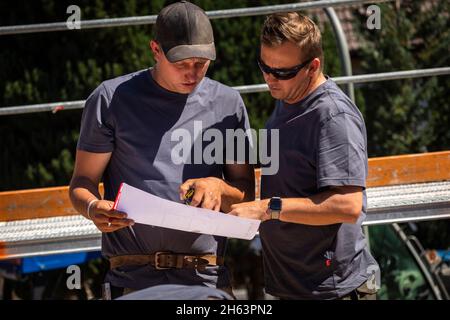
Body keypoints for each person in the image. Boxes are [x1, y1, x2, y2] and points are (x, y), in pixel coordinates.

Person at [69, 1, 254, 299]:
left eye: (202, 63)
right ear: (155, 49)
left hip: (205, 278)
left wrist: (219, 187)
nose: (192, 74)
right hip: (132, 278)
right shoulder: (110, 99)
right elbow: (82, 183)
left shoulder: (228, 104)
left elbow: (246, 193)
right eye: (181, 64)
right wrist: (93, 208)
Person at [229, 12, 380, 300]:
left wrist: (266, 209)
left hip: (334, 290)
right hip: (294, 287)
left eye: (283, 72)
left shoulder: (333, 116)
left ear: (313, 67)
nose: (270, 79)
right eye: (264, 66)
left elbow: (348, 206)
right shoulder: (288, 98)